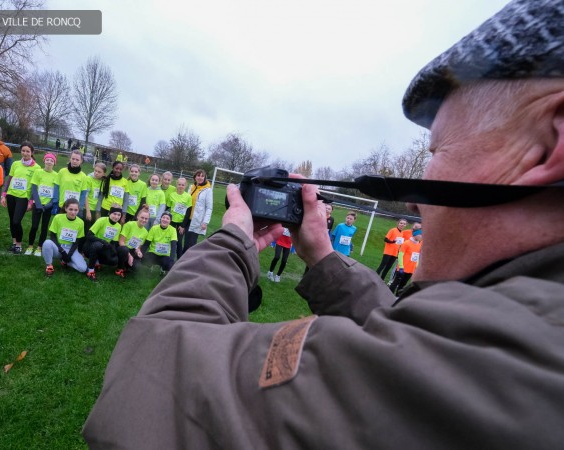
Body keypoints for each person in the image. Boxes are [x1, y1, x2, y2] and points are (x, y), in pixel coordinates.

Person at [83, 1, 564, 447]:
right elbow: (407, 340)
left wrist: (232, 243)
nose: (418, 202)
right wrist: (325, 261)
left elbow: (152, 375)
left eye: (436, 151)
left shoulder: (504, 360)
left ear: (549, 141)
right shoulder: (521, 332)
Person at [1, 141, 38, 254]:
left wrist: (31, 201)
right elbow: (9, 180)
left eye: (28, 151)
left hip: (23, 197)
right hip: (11, 195)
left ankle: (19, 244)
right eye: (23, 150)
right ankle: (14, 244)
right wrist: (4, 195)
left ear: (32, 152)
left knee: (17, 221)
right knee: (12, 221)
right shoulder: (15, 164)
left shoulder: (37, 168)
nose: (25, 153)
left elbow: (35, 187)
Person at [42, 198, 87, 276]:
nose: (73, 212)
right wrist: (62, 251)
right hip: (58, 247)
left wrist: (69, 255)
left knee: (83, 269)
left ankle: (65, 261)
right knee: (47, 243)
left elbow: (77, 242)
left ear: (78, 210)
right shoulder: (58, 217)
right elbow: (52, 236)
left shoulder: (81, 222)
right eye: (70, 209)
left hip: (70, 248)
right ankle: (49, 266)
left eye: (76, 210)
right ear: (66, 208)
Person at [25, 153, 58, 256]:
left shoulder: (56, 175)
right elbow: (34, 189)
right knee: (34, 226)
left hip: (48, 206)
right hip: (37, 205)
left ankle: (39, 247)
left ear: (54, 163)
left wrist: (47, 206)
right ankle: (30, 246)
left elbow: (56, 193)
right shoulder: (38, 172)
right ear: (44, 161)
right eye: (47, 160)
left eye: (51, 161)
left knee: (44, 227)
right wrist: (38, 204)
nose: (49, 162)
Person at [83, 205, 127, 281]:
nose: (116, 217)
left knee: (114, 261)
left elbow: (113, 242)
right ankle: (90, 271)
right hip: (90, 246)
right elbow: (89, 236)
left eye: (119, 215)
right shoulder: (101, 220)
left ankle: (97, 261)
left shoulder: (118, 226)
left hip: (104, 247)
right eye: (114, 214)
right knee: (98, 245)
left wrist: (113, 251)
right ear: (109, 213)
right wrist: (103, 241)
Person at [182, 169, 213, 255]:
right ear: (195, 177)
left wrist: (205, 222)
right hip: (187, 219)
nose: (200, 177)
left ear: (205, 177)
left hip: (197, 220)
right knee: (186, 242)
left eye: (202, 176)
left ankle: (188, 263)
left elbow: (209, 208)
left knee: (191, 244)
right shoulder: (191, 187)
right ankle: (182, 262)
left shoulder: (208, 190)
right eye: (198, 175)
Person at [141, 210, 177, 275]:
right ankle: (150, 266)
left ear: (170, 221)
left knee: (169, 264)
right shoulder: (154, 228)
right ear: (160, 218)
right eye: (163, 217)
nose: (165, 220)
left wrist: (171, 260)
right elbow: (147, 244)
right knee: (143, 258)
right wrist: (141, 254)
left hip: (165, 255)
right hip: (153, 253)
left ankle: (163, 269)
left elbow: (173, 246)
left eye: (167, 218)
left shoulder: (173, 230)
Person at [390, 228, 423, 295]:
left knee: (402, 285)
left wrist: (416, 267)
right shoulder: (406, 243)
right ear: (415, 234)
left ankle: (397, 298)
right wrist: (401, 267)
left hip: (411, 270)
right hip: (403, 269)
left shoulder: (419, 245)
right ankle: (388, 296)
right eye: (421, 234)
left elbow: (416, 257)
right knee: (395, 283)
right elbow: (400, 255)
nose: (422, 236)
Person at [118, 206, 150, 274]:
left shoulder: (146, 232)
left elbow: (138, 247)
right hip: (123, 249)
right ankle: (120, 268)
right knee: (124, 250)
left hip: (132, 251)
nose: (144, 220)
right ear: (138, 216)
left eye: (146, 219)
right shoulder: (129, 224)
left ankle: (130, 266)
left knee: (138, 267)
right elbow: (121, 241)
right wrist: (129, 255)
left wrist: (138, 251)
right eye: (142, 217)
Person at [167, 177, 192, 259]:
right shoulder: (172, 195)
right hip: (172, 222)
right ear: (176, 184)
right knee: (170, 240)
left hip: (181, 223)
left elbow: (188, 212)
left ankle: (179, 260)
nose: (181, 186)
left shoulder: (188, 196)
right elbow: (168, 208)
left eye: (183, 185)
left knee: (179, 242)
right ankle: (168, 258)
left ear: (185, 186)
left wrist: (183, 225)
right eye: (179, 184)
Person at [84, 162, 107, 233]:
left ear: (103, 173)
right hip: (87, 208)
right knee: (86, 230)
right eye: (95, 171)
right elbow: (85, 195)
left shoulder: (104, 181)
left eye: (99, 172)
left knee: (94, 231)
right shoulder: (88, 178)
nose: (96, 173)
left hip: (97, 209)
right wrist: (88, 211)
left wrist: (98, 211)